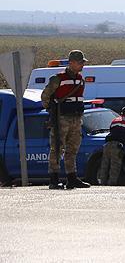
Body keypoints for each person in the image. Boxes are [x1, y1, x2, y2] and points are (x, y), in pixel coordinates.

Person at [41, 50, 90, 190]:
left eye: (83, 62)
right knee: (57, 148)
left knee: (73, 149)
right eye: (80, 62)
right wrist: (53, 110)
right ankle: (54, 179)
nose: (82, 65)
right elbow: (45, 96)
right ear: (71, 63)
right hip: (61, 118)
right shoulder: (57, 79)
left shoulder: (81, 79)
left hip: (76, 118)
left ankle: (72, 178)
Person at [98, 105, 125, 185]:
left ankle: (102, 183)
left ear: (122, 113)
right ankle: (111, 184)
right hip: (117, 146)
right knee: (114, 166)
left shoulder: (115, 120)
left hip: (107, 144)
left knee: (104, 165)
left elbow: (111, 130)